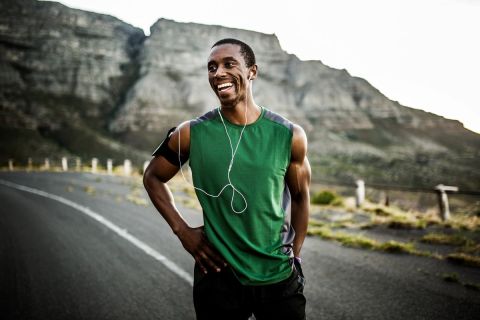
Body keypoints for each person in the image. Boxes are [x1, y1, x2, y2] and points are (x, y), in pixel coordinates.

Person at [143, 38, 311, 320]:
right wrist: (183, 232)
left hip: (278, 278)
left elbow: (301, 197)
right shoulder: (191, 133)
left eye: (228, 64)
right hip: (218, 277)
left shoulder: (289, 135)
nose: (217, 73)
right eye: (211, 67)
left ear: (252, 71)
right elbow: (152, 176)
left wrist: (295, 254)